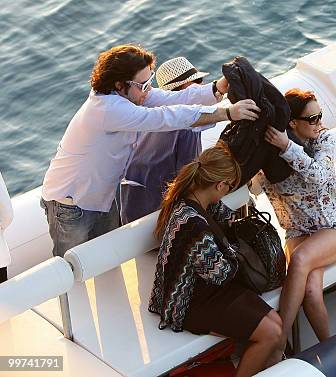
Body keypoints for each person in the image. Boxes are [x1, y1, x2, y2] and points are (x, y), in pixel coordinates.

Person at [40, 44, 260, 258]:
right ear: (119, 85)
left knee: (105, 257)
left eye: (150, 82)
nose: (148, 90)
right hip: (70, 202)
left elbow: (174, 99)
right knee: (71, 265)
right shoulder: (108, 109)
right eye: (142, 85)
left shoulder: (130, 95)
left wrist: (217, 88)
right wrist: (226, 114)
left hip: (102, 196)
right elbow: (165, 117)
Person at [149, 142, 283, 377]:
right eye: (229, 187)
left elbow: (229, 219)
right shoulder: (191, 223)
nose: (228, 191)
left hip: (212, 289)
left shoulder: (201, 201)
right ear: (220, 184)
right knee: (271, 334)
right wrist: (234, 249)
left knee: (277, 325)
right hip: (190, 302)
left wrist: (241, 227)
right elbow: (220, 273)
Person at [260, 89, 336, 355]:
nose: (319, 122)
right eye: (312, 118)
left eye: (320, 116)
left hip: (334, 226)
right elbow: (257, 186)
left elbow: (320, 176)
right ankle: (330, 348)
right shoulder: (270, 155)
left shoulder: (323, 140)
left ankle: (279, 342)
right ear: (292, 123)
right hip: (297, 230)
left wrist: (287, 147)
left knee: (300, 260)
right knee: (311, 291)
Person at [120, 56, 226, 224]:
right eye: (197, 82)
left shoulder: (149, 120)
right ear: (185, 90)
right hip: (157, 216)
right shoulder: (188, 126)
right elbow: (188, 178)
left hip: (130, 210)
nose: (201, 86)